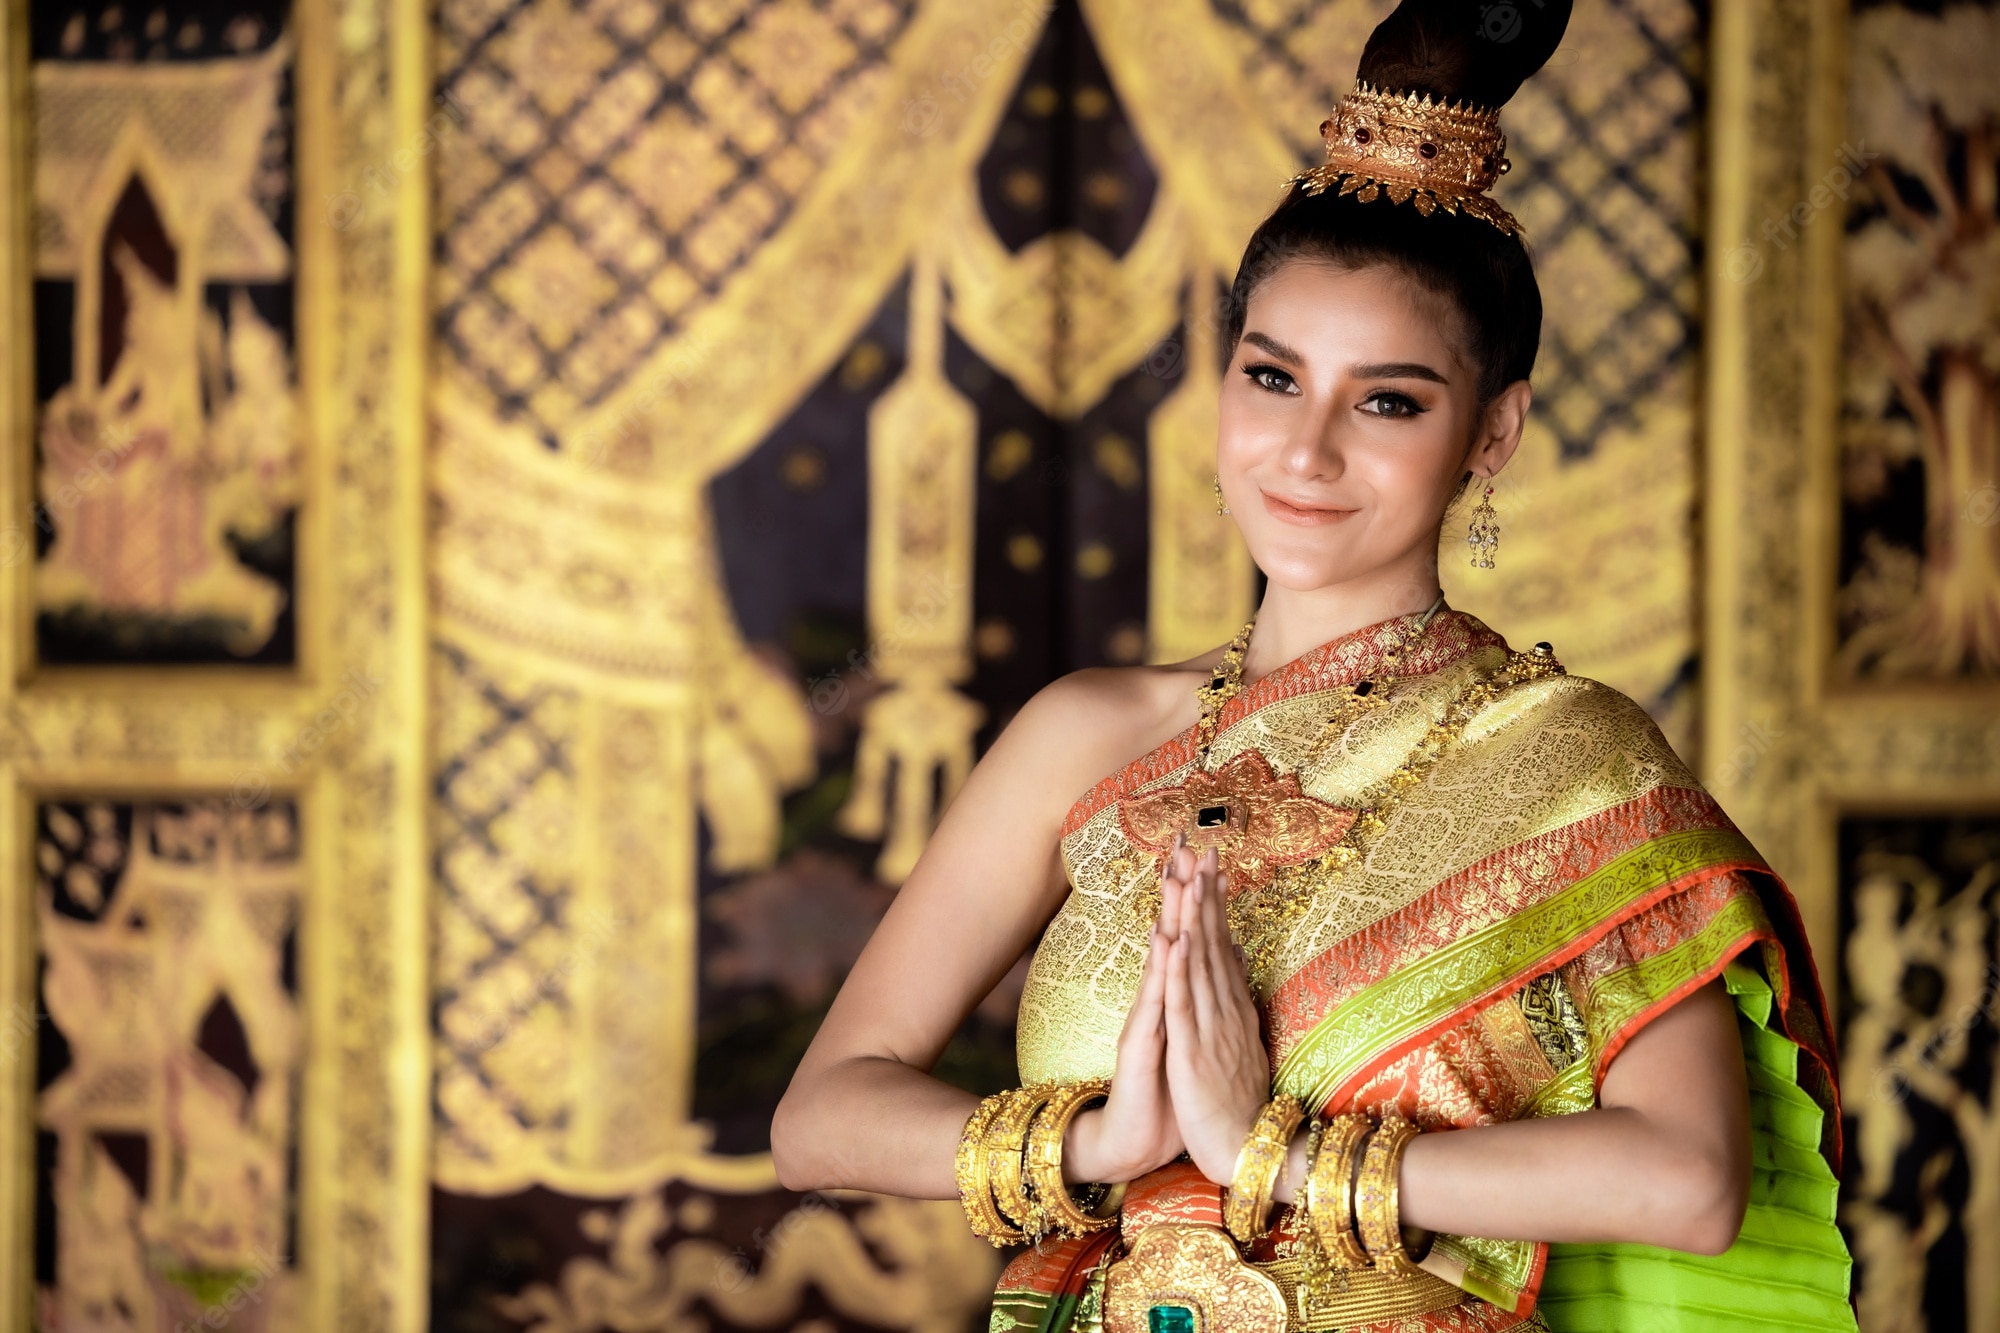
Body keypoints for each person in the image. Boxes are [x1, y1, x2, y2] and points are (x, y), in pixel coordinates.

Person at [773, 1, 1857, 1327]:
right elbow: (823, 1112)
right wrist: (1101, 1146)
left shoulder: (1568, 758)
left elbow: (1688, 1179)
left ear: (1493, 431)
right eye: (1272, 376)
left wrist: (1263, 1152)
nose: (1306, 449)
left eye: (1387, 400)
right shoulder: (1088, 734)